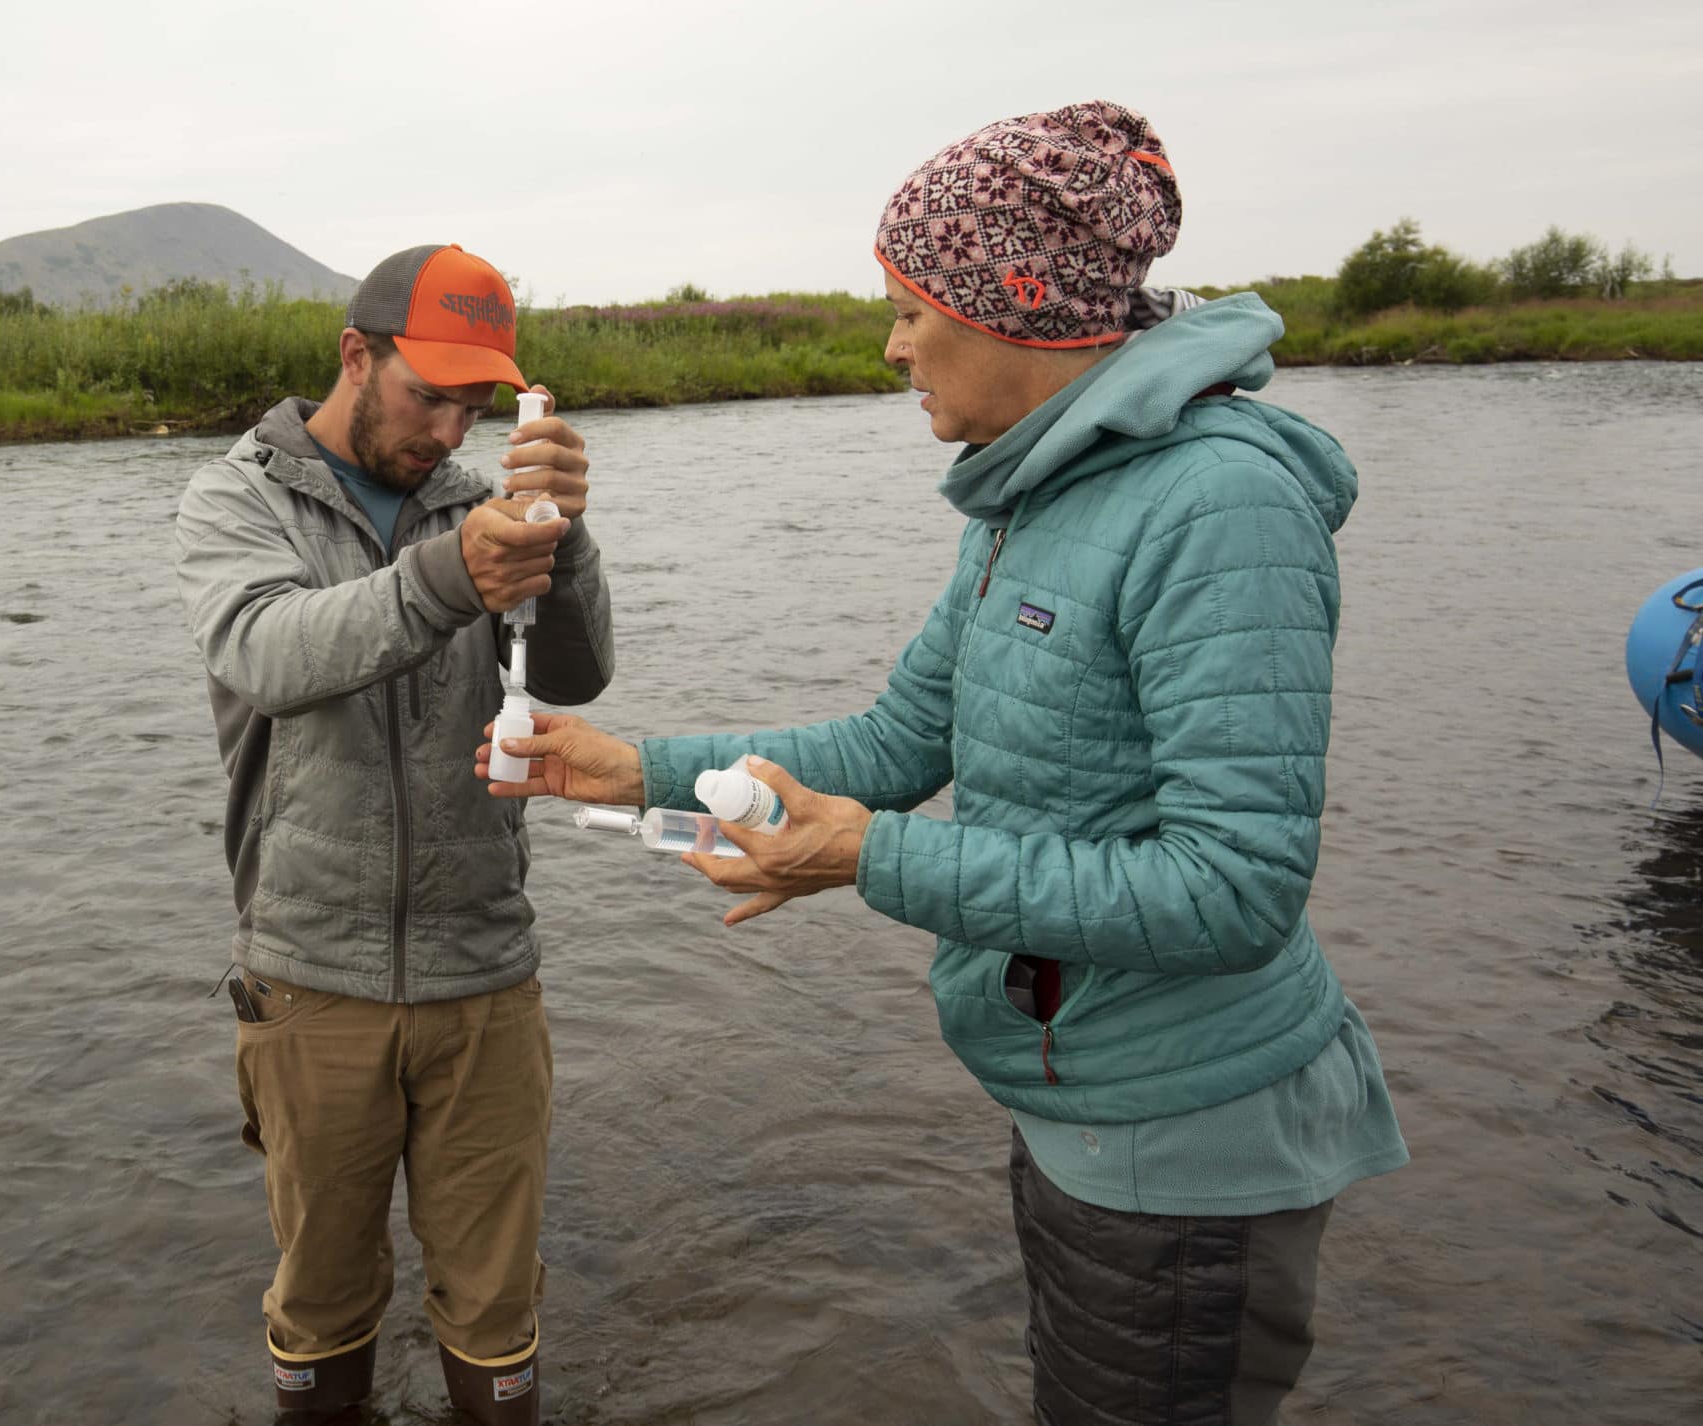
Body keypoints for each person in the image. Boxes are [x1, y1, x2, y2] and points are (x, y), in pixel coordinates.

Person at [483, 102, 1407, 1425]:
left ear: (1021, 309)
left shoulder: (1219, 504)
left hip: (1186, 1148)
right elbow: (898, 742)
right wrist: (636, 769)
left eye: (914, 307)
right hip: (1075, 1105)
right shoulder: (1028, 492)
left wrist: (870, 855)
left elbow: (1232, 889)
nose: (892, 343)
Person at [175, 243, 614, 1425]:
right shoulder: (237, 496)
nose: (451, 428)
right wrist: (447, 577)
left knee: (495, 1305)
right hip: (311, 978)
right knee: (320, 1299)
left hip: (485, 970)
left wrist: (561, 542)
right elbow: (271, 654)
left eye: (475, 401)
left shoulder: (487, 497)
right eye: (430, 393)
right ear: (355, 356)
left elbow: (578, 670)